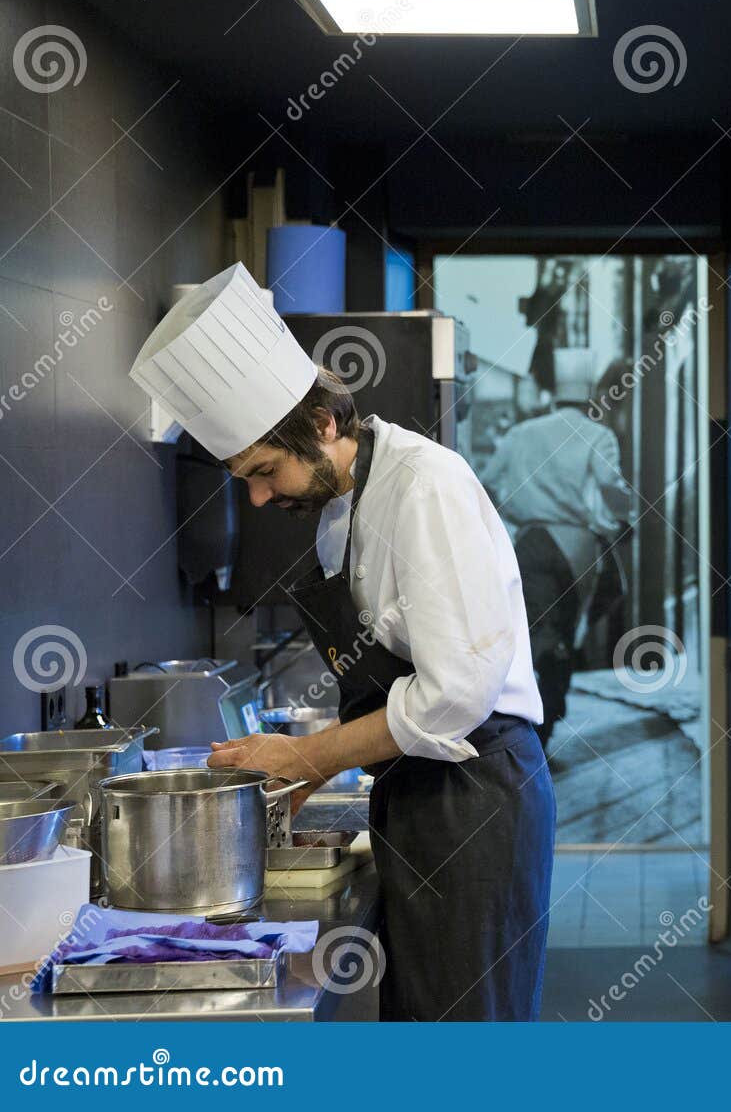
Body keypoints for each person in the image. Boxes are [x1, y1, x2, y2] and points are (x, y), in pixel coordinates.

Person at [129, 263, 557, 1020]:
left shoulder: (426, 486)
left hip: (477, 796)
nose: (258, 496)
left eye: (264, 470)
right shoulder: (339, 511)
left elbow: (456, 691)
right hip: (420, 792)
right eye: (243, 478)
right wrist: (309, 772)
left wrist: (308, 755)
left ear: (324, 424)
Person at [480, 348, 631, 748]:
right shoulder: (598, 435)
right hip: (578, 549)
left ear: (553, 394)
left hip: (528, 543)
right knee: (564, 632)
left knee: (530, 635)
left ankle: (526, 726)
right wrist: (623, 519)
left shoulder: (519, 434)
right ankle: (548, 721)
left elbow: (485, 485)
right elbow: (613, 490)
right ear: (589, 398)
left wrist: (509, 517)